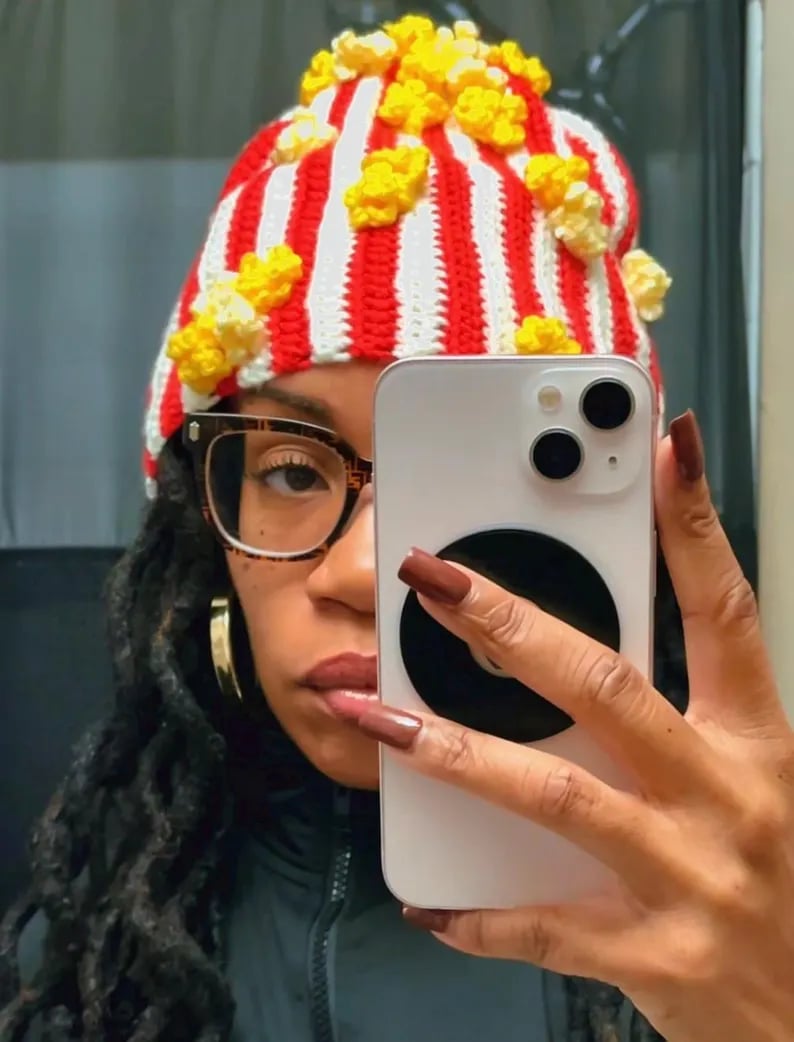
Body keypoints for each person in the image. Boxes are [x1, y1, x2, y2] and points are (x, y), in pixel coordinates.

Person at [2, 13, 792, 1042]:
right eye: (292, 470)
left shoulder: (736, 941)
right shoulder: (90, 956)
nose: (369, 570)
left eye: (459, 483)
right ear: (202, 526)